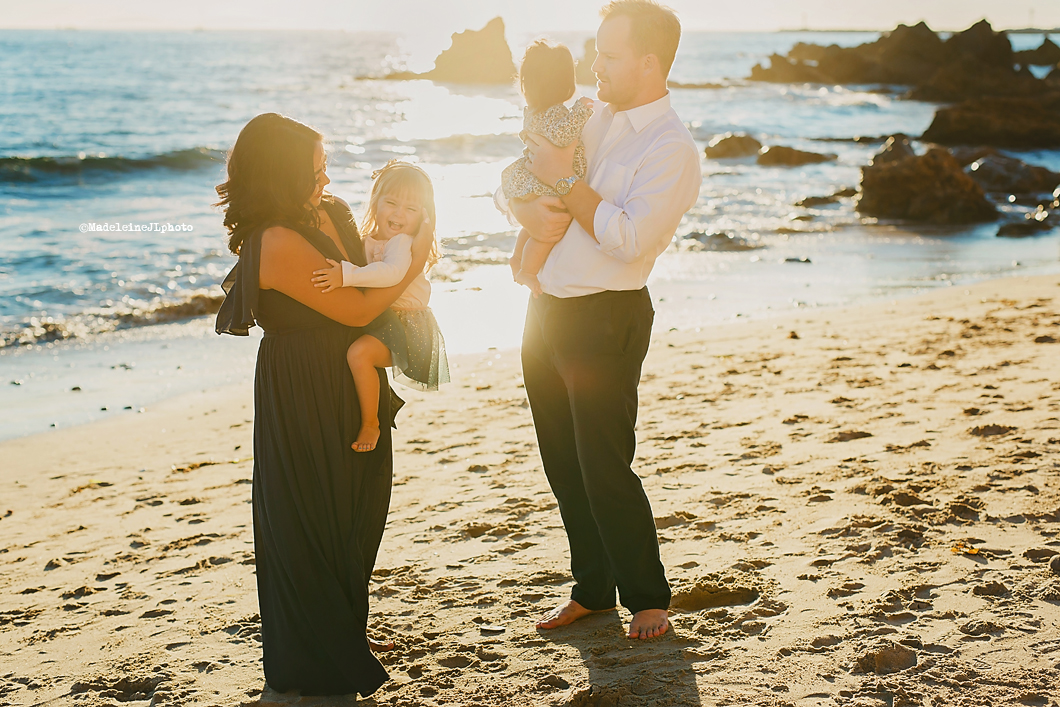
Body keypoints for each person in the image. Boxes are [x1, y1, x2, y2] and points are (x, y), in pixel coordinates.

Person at [493, 0, 702, 640]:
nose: (595, 65)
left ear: (649, 63)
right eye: (595, 51)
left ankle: (647, 597)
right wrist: (526, 214)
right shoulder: (586, 115)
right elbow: (516, 179)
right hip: (544, 313)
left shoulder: (672, 148)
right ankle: (592, 589)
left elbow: (630, 239)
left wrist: (566, 184)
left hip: (606, 317)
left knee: (604, 465)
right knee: (561, 463)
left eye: (609, 55)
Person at [214, 113, 433, 696]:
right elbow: (356, 307)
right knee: (311, 517)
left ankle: (345, 631)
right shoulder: (273, 241)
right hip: (303, 383)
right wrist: (415, 263)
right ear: (281, 175)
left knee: (359, 507)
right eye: (314, 172)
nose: (326, 181)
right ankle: (315, 658)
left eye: (325, 167)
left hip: (350, 375)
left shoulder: (329, 211)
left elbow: (367, 274)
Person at [311, 160, 450, 453]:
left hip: (407, 325)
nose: (399, 214)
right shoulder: (370, 240)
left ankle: (371, 423)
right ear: (375, 201)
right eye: (391, 203)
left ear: (424, 216)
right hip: (386, 320)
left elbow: (391, 273)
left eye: (411, 209)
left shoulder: (401, 242)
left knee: (359, 354)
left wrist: (345, 275)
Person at [501, 40, 594, 296]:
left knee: (532, 227)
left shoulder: (533, 111)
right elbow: (562, 136)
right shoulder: (555, 113)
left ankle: (517, 258)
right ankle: (528, 272)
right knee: (545, 235)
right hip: (546, 182)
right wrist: (580, 111)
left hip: (531, 177)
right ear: (566, 83)